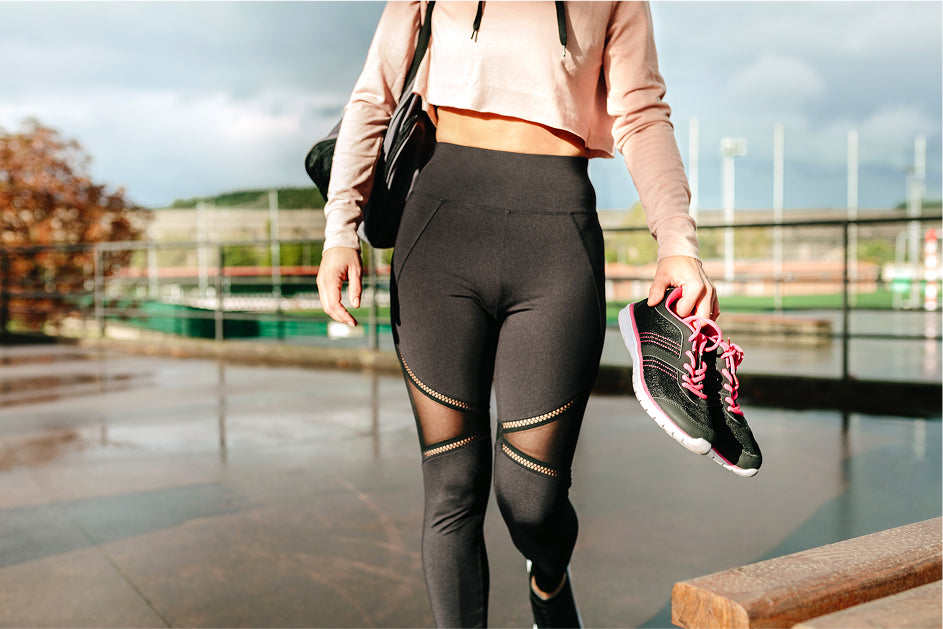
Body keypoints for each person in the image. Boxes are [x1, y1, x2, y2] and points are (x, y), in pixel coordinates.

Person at [316, 2, 718, 626]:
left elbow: (640, 114)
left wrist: (677, 244)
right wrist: (340, 229)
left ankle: (548, 576)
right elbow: (375, 95)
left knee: (531, 498)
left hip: (556, 240)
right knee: (452, 485)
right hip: (440, 232)